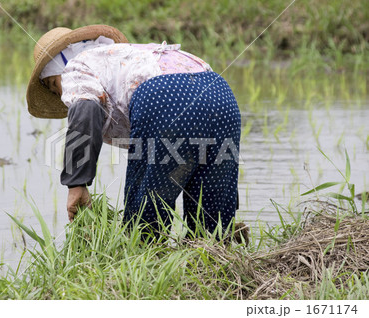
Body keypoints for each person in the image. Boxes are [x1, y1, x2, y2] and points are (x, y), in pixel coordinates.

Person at [26, 25, 241, 238]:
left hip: (166, 96)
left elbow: (85, 108)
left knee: (144, 221)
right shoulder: (125, 54)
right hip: (219, 93)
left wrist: (76, 184)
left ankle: (147, 258)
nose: (62, 96)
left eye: (55, 85)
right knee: (213, 219)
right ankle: (217, 251)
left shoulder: (74, 67)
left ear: (58, 70)